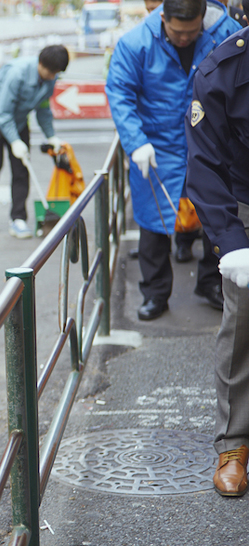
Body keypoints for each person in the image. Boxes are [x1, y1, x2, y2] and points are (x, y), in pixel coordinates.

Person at [105, 0, 239, 320]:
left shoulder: (228, 34)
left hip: (212, 144)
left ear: (203, 19)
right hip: (157, 146)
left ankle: (211, 283)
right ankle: (155, 292)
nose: (184, 39)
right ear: (163, 17)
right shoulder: (136, 43)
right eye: (178, 33)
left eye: (192, 33)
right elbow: (119, 92)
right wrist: (136, 143)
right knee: (154, 222)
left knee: (217, 218)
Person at [185, 23, 249, 497]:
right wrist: (232, 242)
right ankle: (234, 442)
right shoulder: (221, 70)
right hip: (245, 204)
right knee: (241, 321)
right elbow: (204, 161)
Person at [0, 45, 70, 239]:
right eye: (51, 72)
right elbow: (3, 113)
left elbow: (43, 109)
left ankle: (18, 218)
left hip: (18, 121)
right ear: (40, 63)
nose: (53, 77)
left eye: (56, 73)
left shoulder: (50, 79)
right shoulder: (17, 74)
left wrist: (51, 136)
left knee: (22, 168)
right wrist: (14, 141)